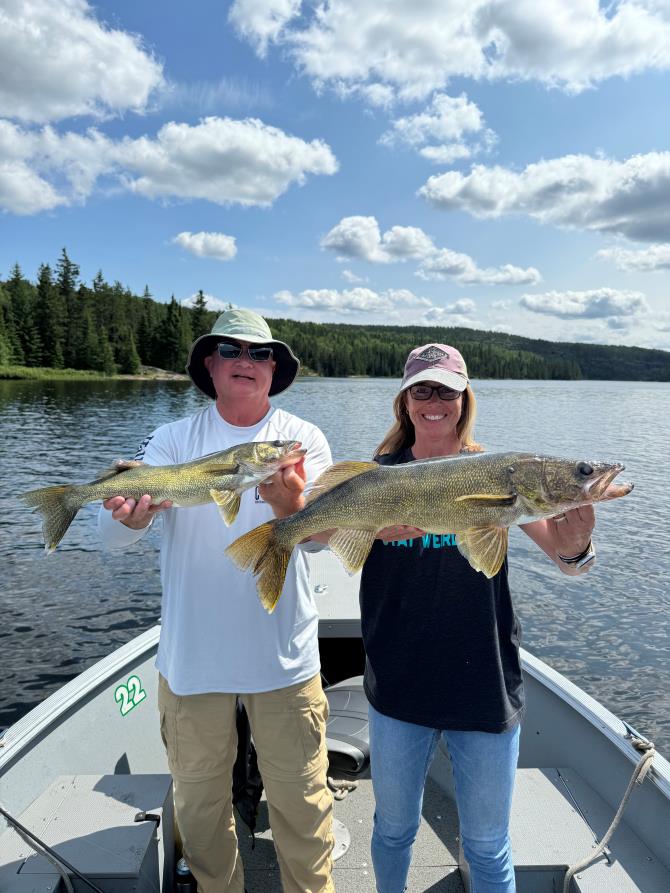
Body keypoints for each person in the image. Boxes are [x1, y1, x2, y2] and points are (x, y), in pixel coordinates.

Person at [98, 309, 335, 893]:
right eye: (232, 351)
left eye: (260, 354)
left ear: (274, 368)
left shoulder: (302, 440)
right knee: (202, 812)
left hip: (283, 658)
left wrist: (289, 508)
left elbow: (325, 539)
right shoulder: (173, 440)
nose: (246, 363)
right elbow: (111, 539)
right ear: (210, 364)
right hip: (192, 662)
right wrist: (130, 517)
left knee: (303, 806)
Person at [360, 343, 596, 893]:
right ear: (405, 400)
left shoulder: (504, 473)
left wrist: (578, 545)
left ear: (465, 398)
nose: (434, 401)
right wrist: (366, 528)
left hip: (483, 682)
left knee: (488, 846)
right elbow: (321, 534)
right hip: (397, 681)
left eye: (446, 389)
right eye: (423, 389)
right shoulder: (377, 477)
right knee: (393, 830)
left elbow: (569, 561)